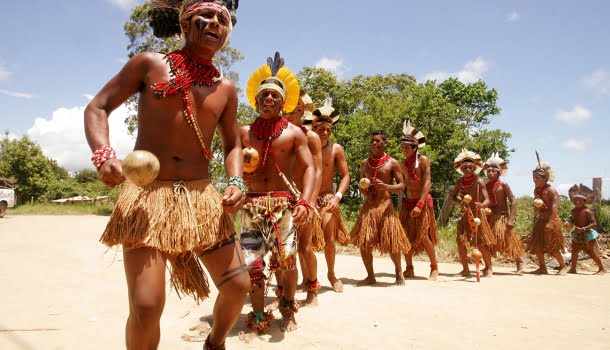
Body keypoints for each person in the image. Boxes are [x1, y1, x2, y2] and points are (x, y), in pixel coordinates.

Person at [84, 1, 248, 349]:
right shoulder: (150, 64)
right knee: (146, 306)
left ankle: (215, 343)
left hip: (202, 199)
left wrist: (235, 181)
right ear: (186, 22)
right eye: (206, 16)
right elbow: (98, 106)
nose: (214, 23)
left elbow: (233, 144)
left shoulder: (226, 89)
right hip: (147, 198)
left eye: (222, 19)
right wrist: (103, 156)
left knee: (238, 286)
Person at [239, 52, 315, 333]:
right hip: (252, 206)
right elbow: (232, 165)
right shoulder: (244, 132)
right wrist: (236, 184)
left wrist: (305, 201)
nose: (268, 99)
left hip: (283, 205)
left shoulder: (295, 133)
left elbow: (310, 169)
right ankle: (258, 315)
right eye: (264, 95)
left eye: (274, 95)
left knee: (287, 262)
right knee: (253, 264)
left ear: (284, 102)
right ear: (255, 100)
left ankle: (287, 309)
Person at [279, 90, 323, 306]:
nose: (285, 114)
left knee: (305, 247)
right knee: (281, 249)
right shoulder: (278, 134)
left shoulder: (311, 137)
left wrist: (310, 199)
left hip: (303, 198)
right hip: (281, 198)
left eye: (291, 109)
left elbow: (317, 170)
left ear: (299, 110)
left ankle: (312, 290)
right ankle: (284, 295)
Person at [351, 130, 411, 286]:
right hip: (369, 207)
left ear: (385, 143)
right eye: (372, 141)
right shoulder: (365, 163)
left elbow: (401, 186)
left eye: (377, 141)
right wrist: (364, 189)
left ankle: (399, 273)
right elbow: (361, 183)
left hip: (385, 207)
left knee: (392, 241)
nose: (374, 143)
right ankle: (370, 276)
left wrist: (385, 186)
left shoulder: (393, 163)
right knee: (364, 242)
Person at [304, 97, 351, 292]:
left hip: (326, 199)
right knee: (304, 241)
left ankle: (331, 274)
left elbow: (346, 175)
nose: (325, 132)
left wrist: (337, 197)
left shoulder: (336, 149)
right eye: (321, 129)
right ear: (313, 127)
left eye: (328, 130)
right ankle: (307, 277)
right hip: (307, 198)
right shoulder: (304, 145)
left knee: (329, 238)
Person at [398, 121, 439, 280]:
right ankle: (409, 268)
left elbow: (428, 183)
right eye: (402, 147)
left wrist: (420, 205)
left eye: (407, 147)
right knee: (405, 235)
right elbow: (402, 184)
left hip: (422, 203)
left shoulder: (423, 161)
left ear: (415, 148)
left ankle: (434, 267)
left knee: (423, 236)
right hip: (408, 203)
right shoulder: (402, 164)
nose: (403, 149)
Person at [449, 149, 495, 277]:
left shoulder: (479, 181)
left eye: (470, 167)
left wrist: (481, 205)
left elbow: (487, 200)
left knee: (479, 242)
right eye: (465, 168)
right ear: (461, 168)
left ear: (474, 168)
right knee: (460, 241)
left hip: (477, 215)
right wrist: (460, 202)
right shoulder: (459, 182)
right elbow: (453, 197)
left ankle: (489, 267)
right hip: (464, 214)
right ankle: (465, 269)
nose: (467, 169)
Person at [524, 155, 569, 275]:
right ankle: (543, 267)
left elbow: (554, 208)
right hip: (541, 220)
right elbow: (537, 205)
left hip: (551, 220)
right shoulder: (536, 190)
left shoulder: (551, 190)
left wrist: (550, 222)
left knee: (552, 246)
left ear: (545, 178)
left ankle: (563, 266)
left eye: (537, 177)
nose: (534, 179)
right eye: (533, 177)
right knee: (538, 245)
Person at [483, 152, 525, 275]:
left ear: (498, 173)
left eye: (493, 171)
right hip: (489, 217)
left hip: (502, 217)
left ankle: (520, 261)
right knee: (487, 242)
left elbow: (513, 202)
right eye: (488, 171)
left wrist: (511, 220)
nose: (490, 173)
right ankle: (488, 266)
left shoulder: (503, 185)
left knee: (506, 241)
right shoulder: (485, 185)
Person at [566, 184, 606, 274]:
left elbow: (594, 223)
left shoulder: (587, 211)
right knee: (575, 251)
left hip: (587, 234)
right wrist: (569, 223)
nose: (577, 202)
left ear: (584, 201)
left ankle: (601, 268)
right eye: (575, 200)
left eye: (580, 200)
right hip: (576, 233)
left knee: (590, 251)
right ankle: (573, 269)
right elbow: (572, 219)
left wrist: (583, 229)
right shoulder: (573, 211)